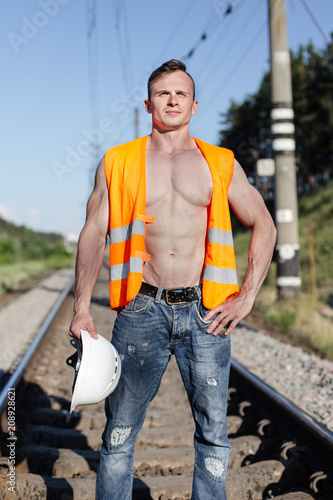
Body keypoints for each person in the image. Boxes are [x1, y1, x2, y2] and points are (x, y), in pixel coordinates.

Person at [69, 59, 277, 499]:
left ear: (194, 105)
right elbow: (93, 232)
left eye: (180, 93)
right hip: (141, 307)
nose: (172, 100)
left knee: (214, 435)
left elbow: (265, 223)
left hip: (206, 311)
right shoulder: (119, 160)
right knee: (120, 432)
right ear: (148, 103)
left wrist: (246, 297)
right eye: (163, 93)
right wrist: (81, 308)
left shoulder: (220, 163)